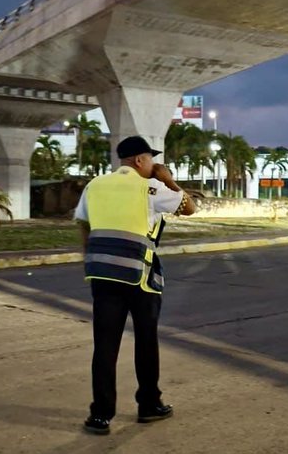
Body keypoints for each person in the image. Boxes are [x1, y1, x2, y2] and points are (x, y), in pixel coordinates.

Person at [73, 135, 197, 435]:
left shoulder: (94, 185)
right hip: (138, 277)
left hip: (102, 274)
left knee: (104, 345)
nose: (154, 164)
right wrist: (169, 179)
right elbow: (190, 207)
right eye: (151, 159)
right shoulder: (151, 187)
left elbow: (82, 222)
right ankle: (149, 404)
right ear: (140, 160)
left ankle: (101, 415)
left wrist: (90, 256)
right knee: (145, 339)